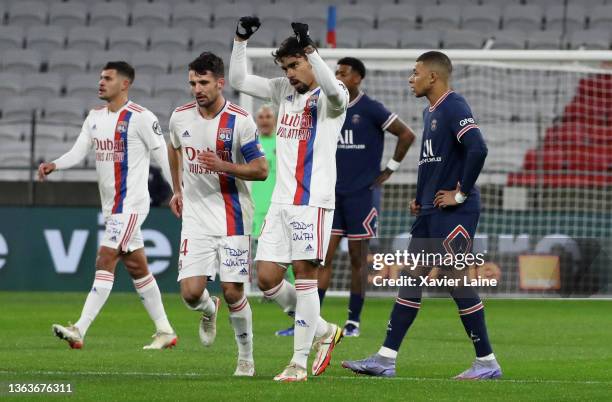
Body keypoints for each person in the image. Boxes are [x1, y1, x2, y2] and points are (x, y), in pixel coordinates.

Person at [342, 51, 502, 380]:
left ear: (433, 77)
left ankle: (487, 361)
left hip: (455, 212)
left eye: (415, 73)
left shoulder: (453, 105)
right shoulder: (431, 112)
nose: (410, 79)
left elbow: (478, 148)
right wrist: (419, 198)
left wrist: (459, 193)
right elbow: (432, 161)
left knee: (456, 282)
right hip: (431, 211)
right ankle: (386, 358)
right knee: (411, 277)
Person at [230, 17, 348, 381]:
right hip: (282, 202)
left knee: (305, 276)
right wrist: (240, 41)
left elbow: (332, 90)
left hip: (311, 201)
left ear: (311, 60)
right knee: (266, 278)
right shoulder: (284, 91)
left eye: (295, 65)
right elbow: (238, 81)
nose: (289, 73)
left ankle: (297, 363)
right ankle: (325, 331)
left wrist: (312, 48)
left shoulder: (333, 95)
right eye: (285, 67)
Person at [39, 61, 177, 350]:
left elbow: (163, 157)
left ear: (125, 84)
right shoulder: (94, 117)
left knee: (105, 259)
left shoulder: (141, 117)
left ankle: (79, 328)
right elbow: (79, 151)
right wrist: (56, 164)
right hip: (112, 207)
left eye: (108, 78)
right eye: (101, 77)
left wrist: (178, 191)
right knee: (138, 267)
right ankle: (165, 330)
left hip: (132, 204)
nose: (101, 82)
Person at [167, 52, 268, 377]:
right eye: (193, 83)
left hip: (233, 218)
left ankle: (246, 358)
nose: (197, 89)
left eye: (203, 82)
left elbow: (261, 170)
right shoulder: (180, 117)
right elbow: (173, 147)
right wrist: (177, 188)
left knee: (233, 290)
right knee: (191, 293)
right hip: (196, 217)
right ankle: (209, 311)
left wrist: (224, 166)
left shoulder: (240, 120)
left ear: (220, 82)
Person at [318, 57, 415, 337]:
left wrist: (390, 169)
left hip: (362, 195)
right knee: (323, 258)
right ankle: (313, 319)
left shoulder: (370, 109)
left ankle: (353, 321)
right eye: (336, 72)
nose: (338, 77)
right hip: (332, 195)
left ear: (358, 78)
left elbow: (406, 134)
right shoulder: (328, 107)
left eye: (343, 73)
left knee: (358, 260)